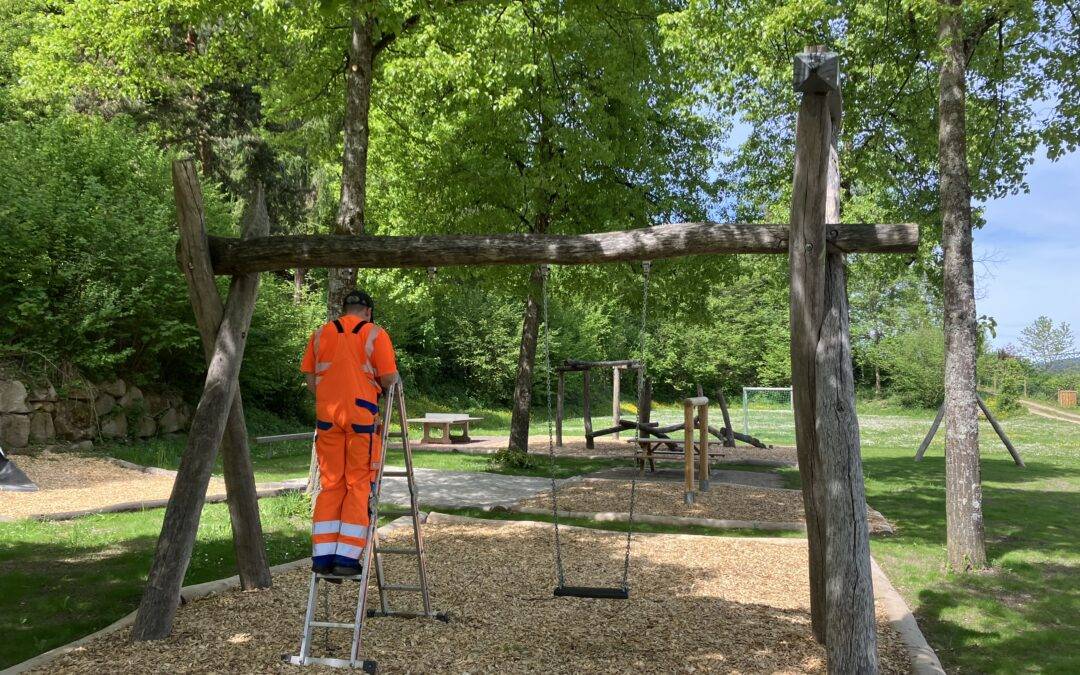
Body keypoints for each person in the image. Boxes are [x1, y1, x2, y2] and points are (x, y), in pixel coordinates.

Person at [301, 289, 397, 576]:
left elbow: (310, 380)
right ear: (367, 311)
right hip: (361, 420)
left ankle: (323, 557)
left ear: (343, 309)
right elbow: (390, 378)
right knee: (358, 484)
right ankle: (346, 558)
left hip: (328, 419)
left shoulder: (320, 334)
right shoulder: (375, 334)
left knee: (331, 485)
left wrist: (333, 396)